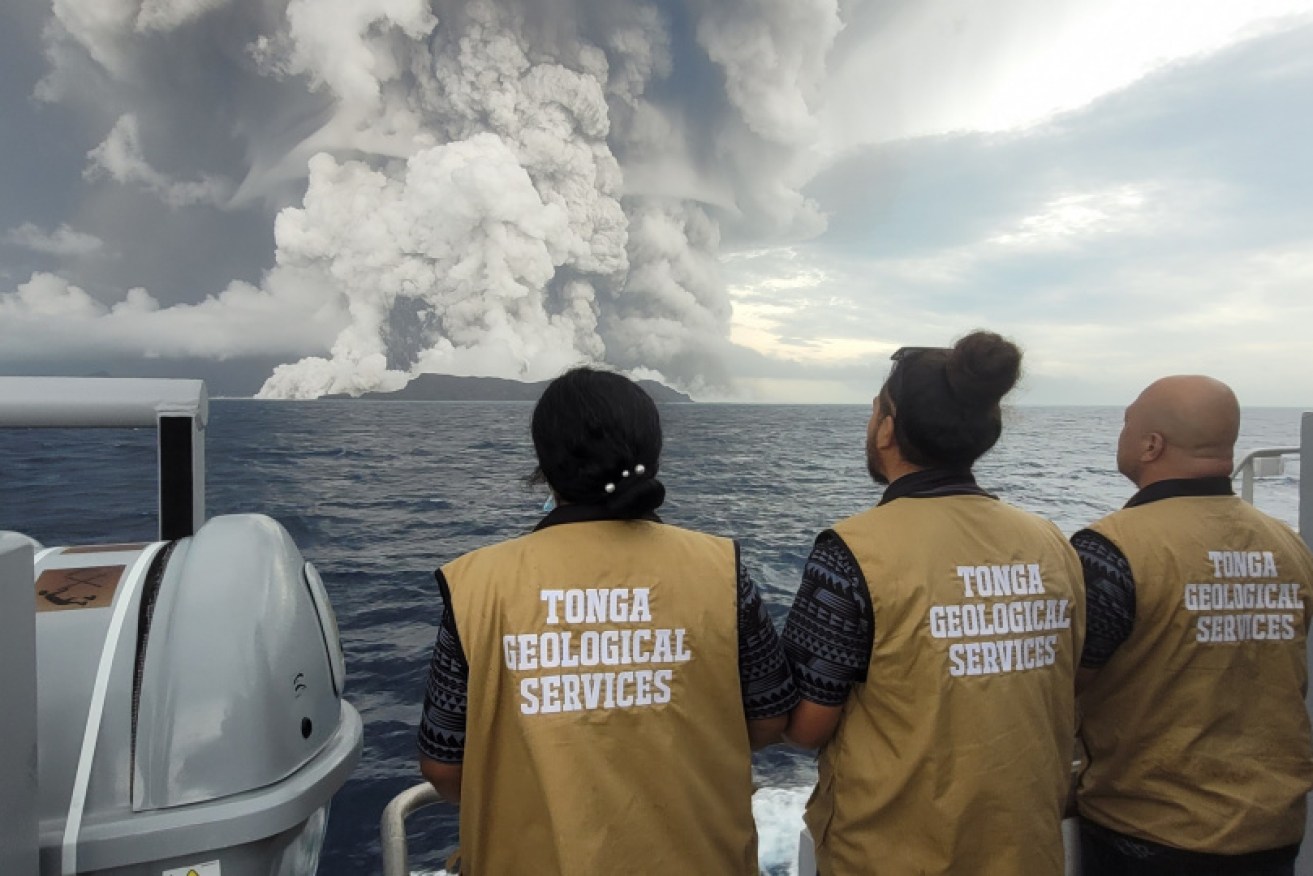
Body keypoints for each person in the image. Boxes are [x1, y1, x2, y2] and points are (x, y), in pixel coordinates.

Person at [416, 366, 798, 875]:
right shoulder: (720, 570)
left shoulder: (477, 585)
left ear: (545, 465)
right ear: (654, 455)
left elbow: (444, 768)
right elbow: (771, 718)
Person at [781, 331, 1085, 875]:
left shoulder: (852, 553)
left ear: (888, 430)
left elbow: (807, 727)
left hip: (890, 856)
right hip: (1026, 851)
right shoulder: (1053, 544)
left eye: (874, 411)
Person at [1073, 375, 1313, 875]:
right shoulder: (1289, 546)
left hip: (1148, 831)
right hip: (1273, 831)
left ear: (1152, 444)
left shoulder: (1111, 549)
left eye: (1125, 424)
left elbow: (1067, 683)